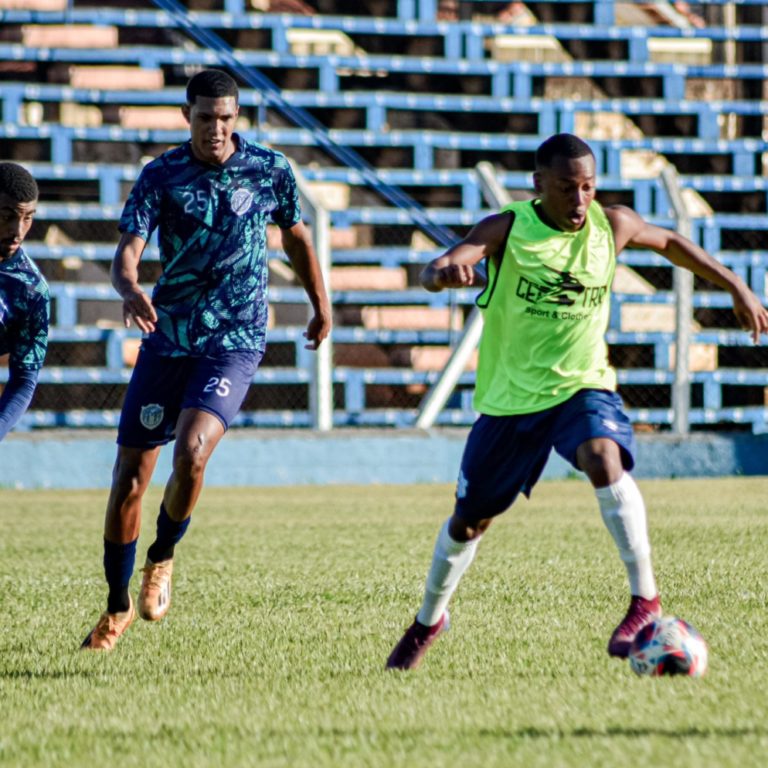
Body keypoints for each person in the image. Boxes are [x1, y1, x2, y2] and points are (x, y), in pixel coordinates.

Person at [386, 133, 768, 670]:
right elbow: (447, 261)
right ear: (539, 185)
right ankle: (429, 621)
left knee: (601, 454)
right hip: (511, 402)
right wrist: (442, 275)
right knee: (468, 523)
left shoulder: (612, 225)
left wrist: (735, 285)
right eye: (567, 188)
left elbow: (672, 243)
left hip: (581, 385)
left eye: (588, 186)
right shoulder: (510, 227)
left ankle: (645, 600)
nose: (580, 199)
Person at [81, 70, 331, 651]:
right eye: (204, 118)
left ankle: (162, 556)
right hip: (168, 338)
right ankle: (116, 605)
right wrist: (130, 288)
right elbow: (128, 252)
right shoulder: (161, 175)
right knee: (129, 481)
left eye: (225, 118)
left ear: (237, 117)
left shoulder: (269, 170)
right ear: (186, 115)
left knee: (192, 451)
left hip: (235, 337)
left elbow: (296, 238)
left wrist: (321, 305)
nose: (215, 129)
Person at [0, 163, 49, 442]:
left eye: (28, 218)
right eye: (8, 216)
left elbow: (24, 380)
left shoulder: (31, 290)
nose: (18, 230)